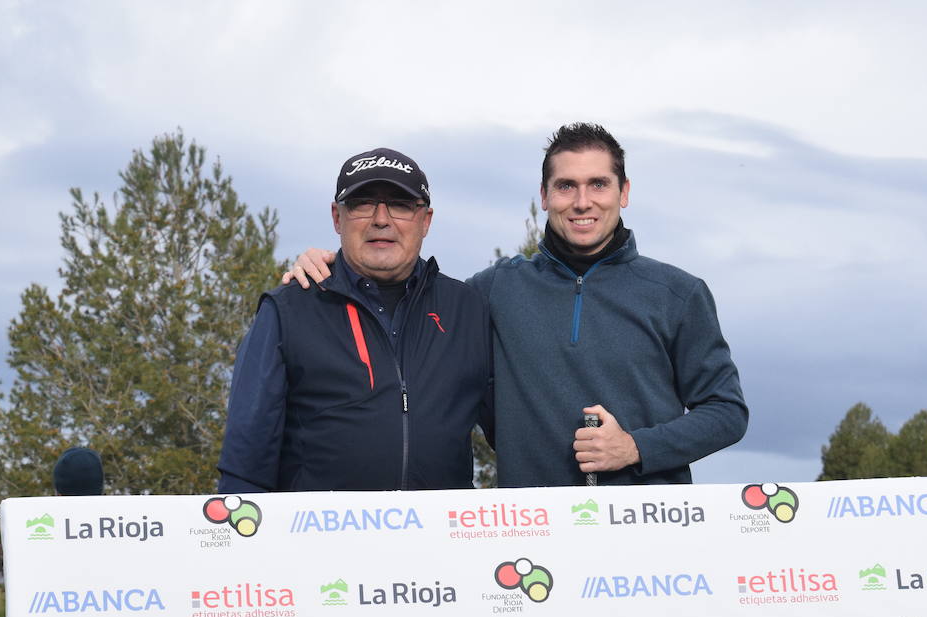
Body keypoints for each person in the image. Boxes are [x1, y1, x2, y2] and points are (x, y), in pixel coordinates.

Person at [288, 123, 747, 487]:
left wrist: (636, 448)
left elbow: (726, 412)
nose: (582, 201)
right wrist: (337, 266)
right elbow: (401, 294)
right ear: (544, 196)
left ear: (623, 193)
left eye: (598, 184)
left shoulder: (678, 293)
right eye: (566, 186)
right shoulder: (490, 291)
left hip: (647, 534)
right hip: (529, 533)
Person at [217, 148, 492, 493]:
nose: (381, 219)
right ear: (337, 217)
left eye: (401, 204)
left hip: (442, 540)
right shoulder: (287, 309)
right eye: (362, 203)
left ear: (426, 220)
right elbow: (245, 463)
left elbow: (514, 432)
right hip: (317, 543)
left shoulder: (468, 309)